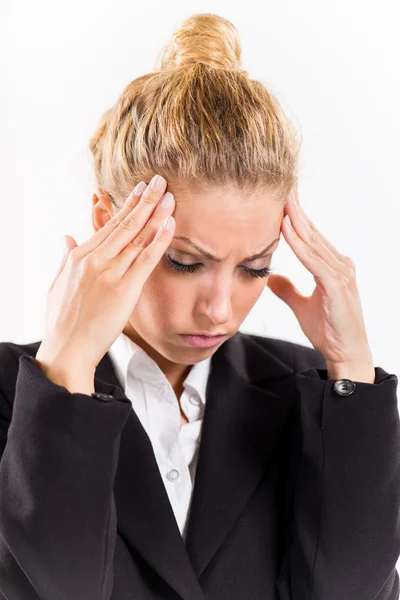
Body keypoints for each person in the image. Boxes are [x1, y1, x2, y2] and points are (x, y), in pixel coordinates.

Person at [0, 12, 398, 600]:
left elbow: (354, 592)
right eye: (185, 262)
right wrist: (65, 375)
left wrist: (352, 371)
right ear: (110, 223)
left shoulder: (305, 396)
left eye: (254, 268)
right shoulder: (15, 398)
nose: (219, 309)